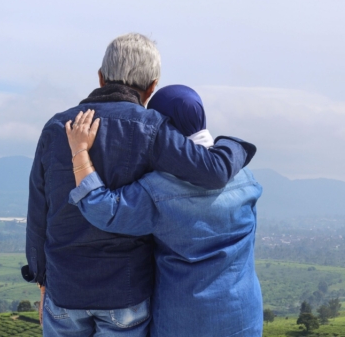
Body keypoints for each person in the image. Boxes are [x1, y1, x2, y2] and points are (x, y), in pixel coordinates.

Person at [22, 33, 257, 336]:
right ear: (152, 86)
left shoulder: (56, 127)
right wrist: (234, 144)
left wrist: (42, 282)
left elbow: (38, 212)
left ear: (101, 76)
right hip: (125, 291)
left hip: (65, 288)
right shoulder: (152, 128)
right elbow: (211, 172)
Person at [66, 85, 263, 336]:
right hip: (243, 313)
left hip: (185, 319)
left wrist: (80, 152)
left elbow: (105, 209)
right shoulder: (245, 177)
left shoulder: (161, 187)